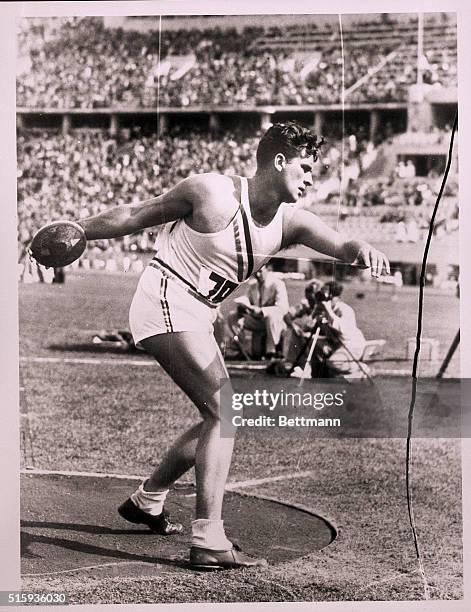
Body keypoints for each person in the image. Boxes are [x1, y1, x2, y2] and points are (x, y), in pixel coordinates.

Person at [76, 121, 389, 569]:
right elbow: (134, 216)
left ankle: (147, 500)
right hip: (164, 297)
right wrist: (78, 230)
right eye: (305, 166)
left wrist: (364, 250)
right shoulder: (211, 192)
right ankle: (208, 538)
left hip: (198, 313)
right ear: (278, 161)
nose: (311, 176)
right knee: (223, 412)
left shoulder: (291, 222)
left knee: (216, 414)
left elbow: (342, 244)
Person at [226, 263, 289, 359]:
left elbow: (283, 308)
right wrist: (243, 307)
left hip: (275, 323)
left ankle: (271, 352)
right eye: (255, 272)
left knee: (271, 317)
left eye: (260, 271)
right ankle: (244, 351)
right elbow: (246, 299)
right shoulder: (253, 285)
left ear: (268, 269)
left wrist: (262, 311)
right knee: (232, 316)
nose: (257, 275)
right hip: (257, 320)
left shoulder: (278, 284)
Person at [311, 281, 367, 378]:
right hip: (338, 343)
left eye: (328, 296)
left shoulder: (345, 310)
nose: (325, 299)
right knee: (312, 340)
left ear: (337, 297)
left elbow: (342, 329)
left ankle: (361, 368)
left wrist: (328, 311)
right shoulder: (324, 309)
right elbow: (309, 326)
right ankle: (318, 375)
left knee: (333, 363)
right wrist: (316, 311)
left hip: (352, 345)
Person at [282, 278, 323, 371]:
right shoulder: (305, 305)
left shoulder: (324, 307)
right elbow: (286, 316)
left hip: (321, 338)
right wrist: (294, 326)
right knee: (293, 331)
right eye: (308, 296)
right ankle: (293, 363)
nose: (310, 300)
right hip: (308, 336)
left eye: (312, 297)